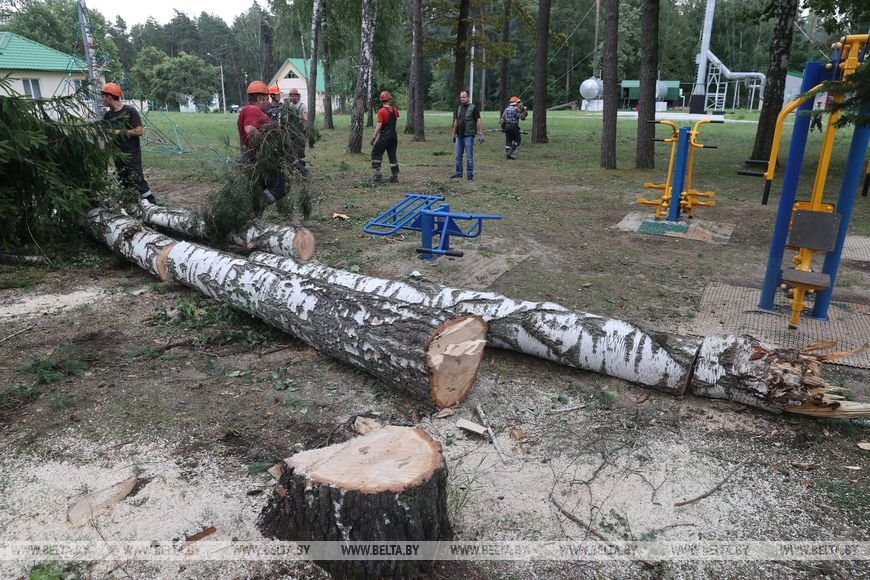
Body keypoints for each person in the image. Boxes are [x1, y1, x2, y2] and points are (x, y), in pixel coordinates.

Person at [100, 82, 156, 204]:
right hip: (117, 155)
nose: (102, 100)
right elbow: (106, 136)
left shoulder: (130, 111)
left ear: (110, 96)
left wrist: (118, 132)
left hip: (131, 153)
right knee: (123, 181)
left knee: (137, 180)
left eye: (103, 97)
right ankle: (132, 206)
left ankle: (152, 204)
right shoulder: (108, 115)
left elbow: (139, 131)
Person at [237, 80, 286, 206]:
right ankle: (255, 207)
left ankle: (254, 214)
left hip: (256, 158)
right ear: (259, 99)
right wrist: (267, 149)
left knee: (262, 188)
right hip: (259, 158)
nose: (268, 102)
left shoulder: (250, 110)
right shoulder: (253, 110)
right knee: (280, 188)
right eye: (266, 99)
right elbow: (250, 130)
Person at [450, 89, 484, 181]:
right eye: (461, 97)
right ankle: (458, 173)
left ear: (468, 97)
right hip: (459, 136)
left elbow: (478, 121)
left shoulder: (473, 108)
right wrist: (453, 134)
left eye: (464, 97)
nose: (462, 99)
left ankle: (470, 175)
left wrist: (481, 134)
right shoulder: (459, 108)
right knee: (458, 156)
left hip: (468, 135)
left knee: (469, 156)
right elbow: (456, 121)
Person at [370, 91, 400, 183]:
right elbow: (394, 121)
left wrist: (374, 138)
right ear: (389, 99)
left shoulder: (381, 111)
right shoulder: (395, 110)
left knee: (376, 152)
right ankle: (394, 176)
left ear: (382, 100)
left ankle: (378, 174)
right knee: (392, 154)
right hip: (394, 136)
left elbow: (379, 125)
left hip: (385, 136)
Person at [284, 87, 309, 176]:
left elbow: (305, 118)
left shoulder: (302, 106)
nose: (293, 97)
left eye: (295, 95)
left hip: (299, 132)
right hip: (290, 132)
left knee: (300, 153)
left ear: (298, 96)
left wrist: (304, 131)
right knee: (291, 152)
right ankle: (293, 170)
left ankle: (303, 172)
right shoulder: (288, 107)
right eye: (291, 96)